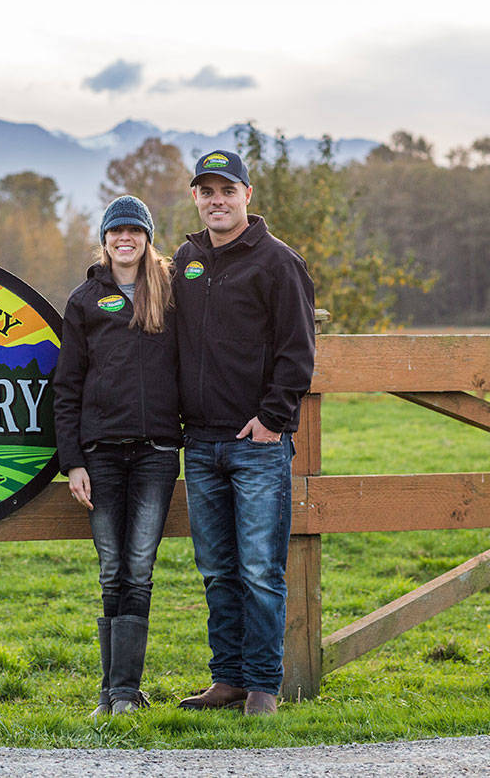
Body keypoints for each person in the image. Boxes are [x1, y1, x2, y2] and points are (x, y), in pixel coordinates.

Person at [172, 150, 316, 716]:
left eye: (227, 190)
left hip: (256, 442)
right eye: (206, 191)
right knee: (216, 569)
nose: (217, 201)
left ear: (247, 196)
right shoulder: (186, 260)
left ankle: (263, 685)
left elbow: (298, 350)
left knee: (259, 569)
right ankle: (227, 678)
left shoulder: (279, 263)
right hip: (200, 442)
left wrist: (273, 420)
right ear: (196, 199)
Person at [53, 195, 182, 717]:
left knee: (139, 567)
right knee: (111, 569)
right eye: (115, 231)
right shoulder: (85, 300)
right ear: (104, 240)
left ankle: (125, 691)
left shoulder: (173, 294)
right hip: (101, 453)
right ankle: (111, 693)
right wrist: (73, 461)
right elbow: (67, 386)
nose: (124, 239)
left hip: (155, 452)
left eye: (134, 231)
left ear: (147, 238)